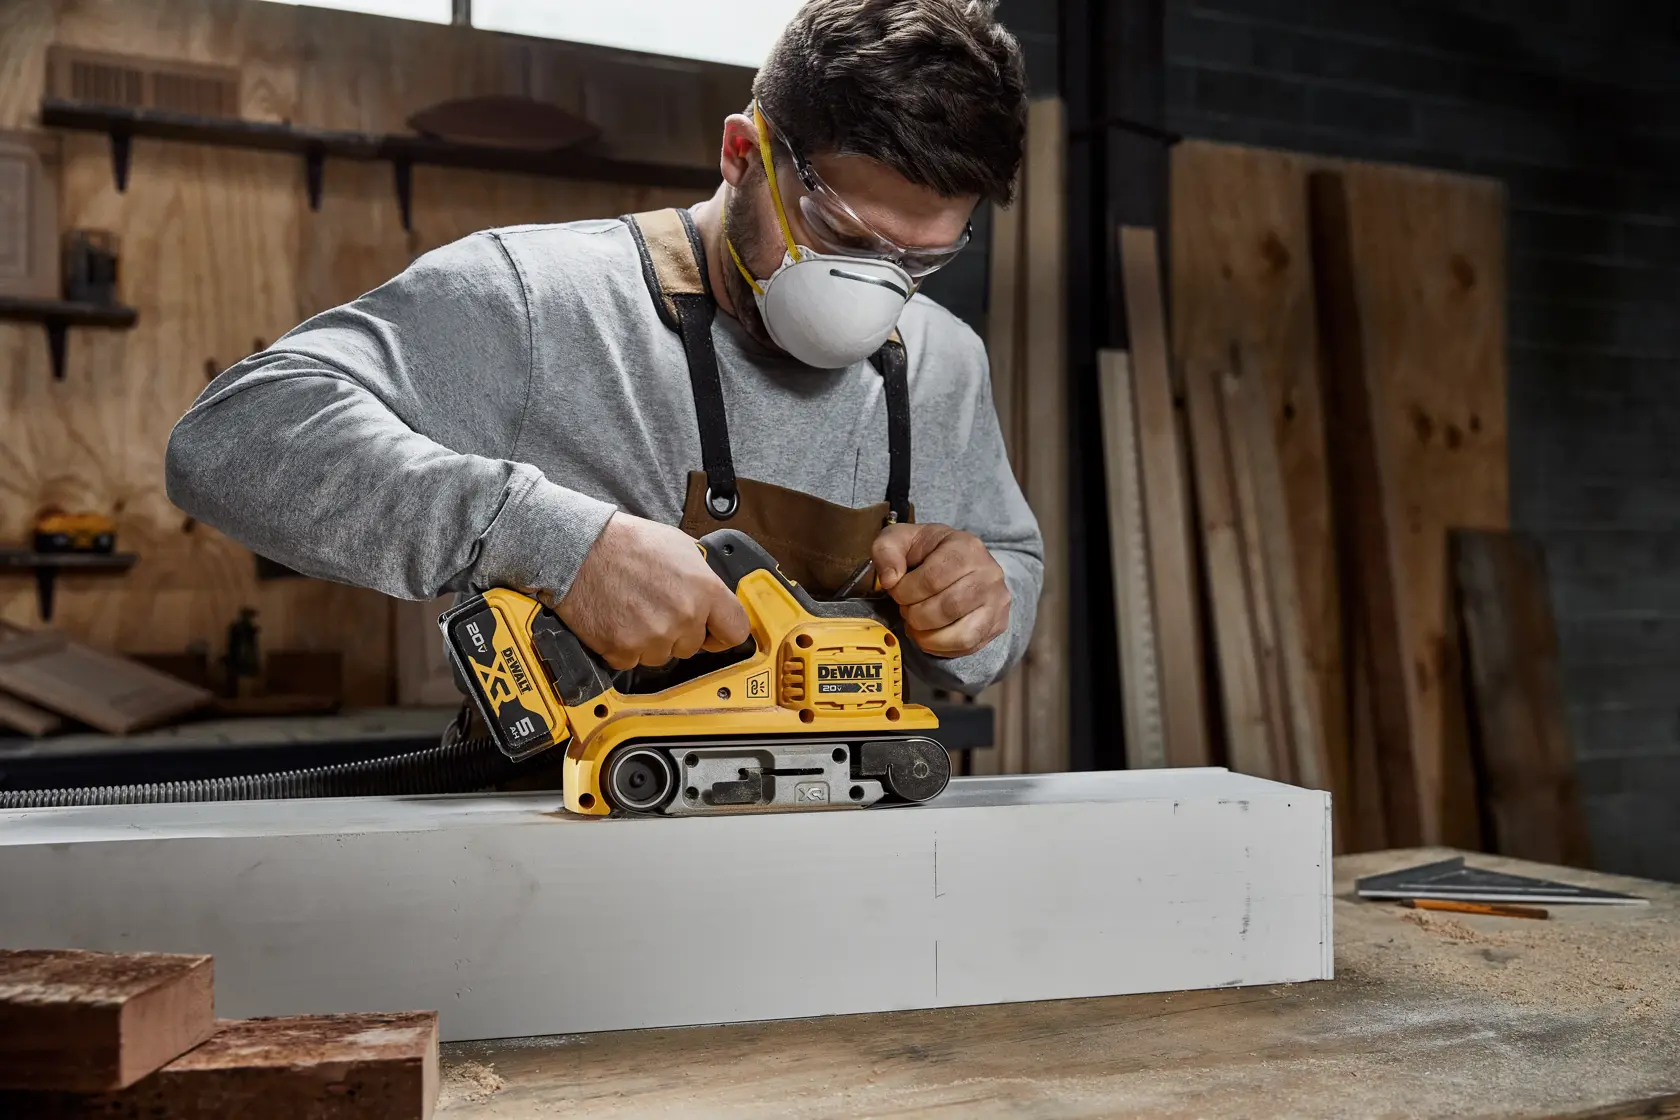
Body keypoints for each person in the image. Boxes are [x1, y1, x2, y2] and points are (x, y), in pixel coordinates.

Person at [165, 0, 1041, 702]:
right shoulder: (538, 299)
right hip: (565, 856)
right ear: (743, 154)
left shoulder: (940, 360)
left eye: (919, 260)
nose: (876, 288)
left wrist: (977, 604)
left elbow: (1010, 574)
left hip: (843, 859)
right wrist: (551, 541)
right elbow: (236, 436)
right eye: (843, 236)